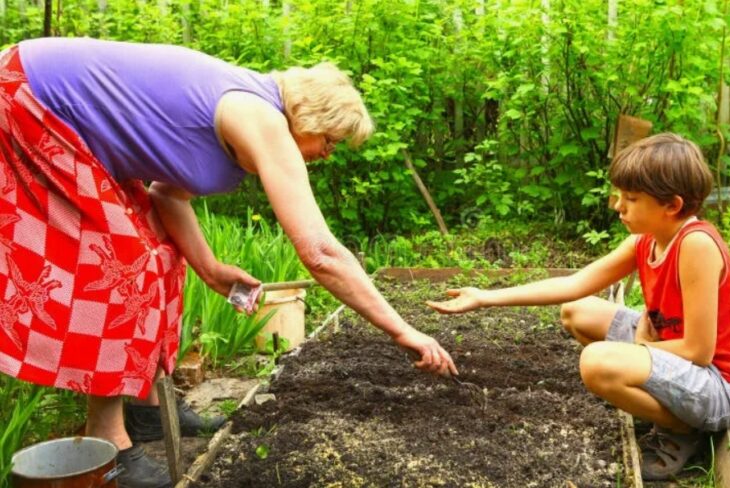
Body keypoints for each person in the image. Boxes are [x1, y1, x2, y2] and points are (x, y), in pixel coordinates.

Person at [0, 37, 457, 488]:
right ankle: (109, 441)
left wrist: (210, 267)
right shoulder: (261, 118)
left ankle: (148, 408)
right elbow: (320, 253)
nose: (327, 153)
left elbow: (166, 195)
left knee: (159, 253)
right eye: (330, 140)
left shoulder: (246, 118)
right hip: (30, 96)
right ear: (312, 118)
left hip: (48, 101)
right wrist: (402, 329)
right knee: (121, 268)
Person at [427, 133, 730, 481]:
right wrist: (485, 297)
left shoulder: (696, 245)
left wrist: (640, 347)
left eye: (631, 198)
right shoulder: (646, 240)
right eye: (620, 195)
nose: (618, 206)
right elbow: (574, 284)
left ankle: (683, 427)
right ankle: (659, 401)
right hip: (676, 352)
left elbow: (699, 350)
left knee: (596, 362)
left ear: (672, 205)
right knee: (578, 311)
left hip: (726, 386)